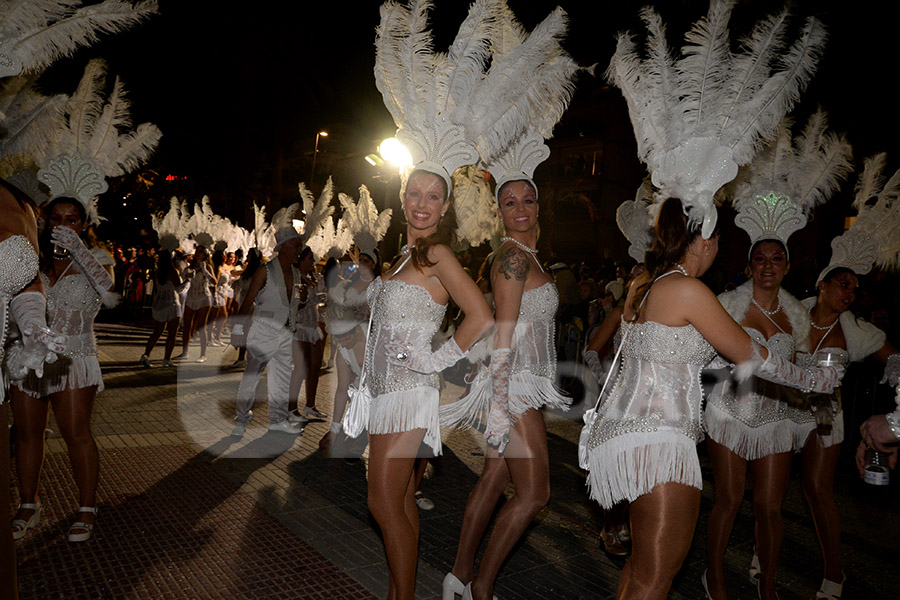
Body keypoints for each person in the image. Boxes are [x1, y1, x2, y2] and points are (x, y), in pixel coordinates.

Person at [583, 198, 841, 600]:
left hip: (623, 436)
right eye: (718, 240)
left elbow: (680, 352)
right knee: (657, 576)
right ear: (706, 240)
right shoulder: (688, 289)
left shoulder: (645, 283)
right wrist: (814, 379)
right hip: (660, 441)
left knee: (640, 569)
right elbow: (752, 356)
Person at [363, 169, 492, 600]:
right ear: (402, 198)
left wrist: (437, 360)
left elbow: (481, 316)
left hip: (408, 394)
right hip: (385, 392)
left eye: (433, 196)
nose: (422, 203)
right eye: (415, 193)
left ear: (446, 206)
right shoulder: (405, 254)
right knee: (398, 500)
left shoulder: (436, 253)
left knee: (381, 503)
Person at [441, 178, 569, 600]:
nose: (519, 209)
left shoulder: (525, 256)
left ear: (537, 206)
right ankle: (483, 587)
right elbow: (504, 334)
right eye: (509, 202)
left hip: (518, 384)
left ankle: (459, 576)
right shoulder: (513, 258)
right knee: (535, 494)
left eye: (527, 200)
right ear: (499, 211)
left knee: (495, 478)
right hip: (514, 386)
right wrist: (500, 404)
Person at [703, 239, 815, 600]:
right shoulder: (727, 305)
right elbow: (706, 358)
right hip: (729, 412)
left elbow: (801, 368)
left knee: (769, 507)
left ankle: (767, 584)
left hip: (775, 417)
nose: (768, 265)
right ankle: (714, 576)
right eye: (760, 259)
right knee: (730, 499)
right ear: (749, 265)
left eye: (776, 259)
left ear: (787, 266)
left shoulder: (798, 315)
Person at [10, 196, 117, 544]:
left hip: (74, 355)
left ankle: (87, 507)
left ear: (83, 224)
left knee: (76, 433)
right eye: (56, 218)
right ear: (44, 220)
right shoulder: (30, 257)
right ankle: (29, 504)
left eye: (72, 219)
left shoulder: (98, 258)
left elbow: (109, 289)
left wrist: (78, 249)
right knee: (27, 433)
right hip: (30, 355)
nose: (63, 225)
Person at [795, 267, 899, 599]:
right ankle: (763, 550)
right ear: (821, 285)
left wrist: (897, 402)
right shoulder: (793, 314)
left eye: (854, 289)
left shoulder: (853, 329)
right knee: (772, 490)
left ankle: (833, 571)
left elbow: (894, 356)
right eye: (843, 284)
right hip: (785, 410)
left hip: (827, 415)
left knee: (817, 489)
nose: (850, 293)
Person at [1, 179, 62, 600]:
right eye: (53, 217)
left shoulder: (13, 203)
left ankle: (33, 501)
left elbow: (26, 283)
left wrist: (35, 329)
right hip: (16, 352)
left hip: (53, 351)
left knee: (37, 431)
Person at [230, 228, 305, 436]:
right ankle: (241, 419)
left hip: (286, 332)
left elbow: (295, 305)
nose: (300, 249)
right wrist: (237, 329)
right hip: (263, 331)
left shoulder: (297, 272)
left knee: (281, 379)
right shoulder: (265, 270)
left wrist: (304, 298)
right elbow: (247, 302)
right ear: (285, 246)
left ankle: (277, 419)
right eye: (297, 245)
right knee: (251, 377)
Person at [318, 250, 379, 454]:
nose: (341, 344)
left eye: (344, 337)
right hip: (364, 389)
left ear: (355, 329)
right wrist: (334, 430)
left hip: (386, 392)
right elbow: (341, 390)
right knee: (355, 390)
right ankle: (358, 435)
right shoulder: (343, 352)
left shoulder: (376, 342)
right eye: (337, 339)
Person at [287, 245, 327, 422]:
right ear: (301, 260)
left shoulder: (313, 277)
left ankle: (310, 405)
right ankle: (291, 408)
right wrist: (310, 299)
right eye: (310, 258)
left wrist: (321, 299)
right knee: (300, 369)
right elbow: (295, 306)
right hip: (300, 327)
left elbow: (312, 302)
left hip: (312, 326)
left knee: (315, 367)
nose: (313, 261)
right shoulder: (295, 278)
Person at [140, 248, 187, 367]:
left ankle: (146, 354)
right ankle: (167, 358)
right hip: (172, 303)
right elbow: (178, 289)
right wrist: (188, 280)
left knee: (157, 331)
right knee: (172, 333)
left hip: (159, 303)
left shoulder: (158, 272)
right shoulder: (172, 272)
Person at [176, 245, 215, 362]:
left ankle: (203, 354)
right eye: (197, 251)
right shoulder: (190, 267)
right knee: (187, 325)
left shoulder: (207, 266)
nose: (198, 254)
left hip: (204, 297)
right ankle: (185, 352)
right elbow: (182, 279)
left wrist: (204, 270)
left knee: (202, 326)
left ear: (205, 254)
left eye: (201, 252)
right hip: (191, 297)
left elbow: (214, 281)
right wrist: (186, 275)